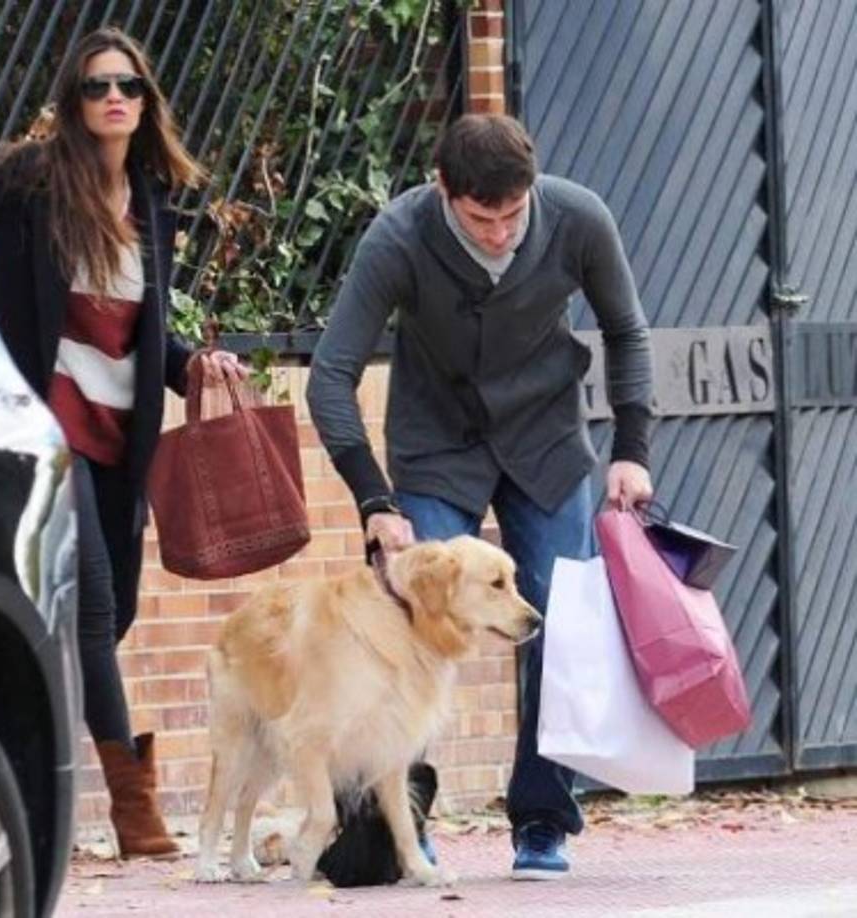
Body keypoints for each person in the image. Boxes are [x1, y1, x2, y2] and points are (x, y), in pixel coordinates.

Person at [306, 113, 654, 879]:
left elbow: (627, 331)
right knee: (412, 630)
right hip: (436, 449)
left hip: (546, 446)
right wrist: (375, 500)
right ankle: (407, 827)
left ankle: (541, 819)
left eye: (513, 215)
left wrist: (632, 452)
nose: (500, 234)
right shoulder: (397, 238)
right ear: (443, 192)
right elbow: (330, 375)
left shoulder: (577, 217)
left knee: (558, 629)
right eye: (480, 218)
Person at [0, 27, 244, 858]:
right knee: (96, 601)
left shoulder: (151, 206)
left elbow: (137, 336)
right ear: (73, 103)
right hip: (46, 432)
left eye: (131, 87)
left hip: (120, 442)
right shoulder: (27, 186)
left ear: (148, 105)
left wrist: (194, 367)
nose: (116, 97)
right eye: (98, 86)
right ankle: (132, 809)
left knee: (101, 621)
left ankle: (11, 768)